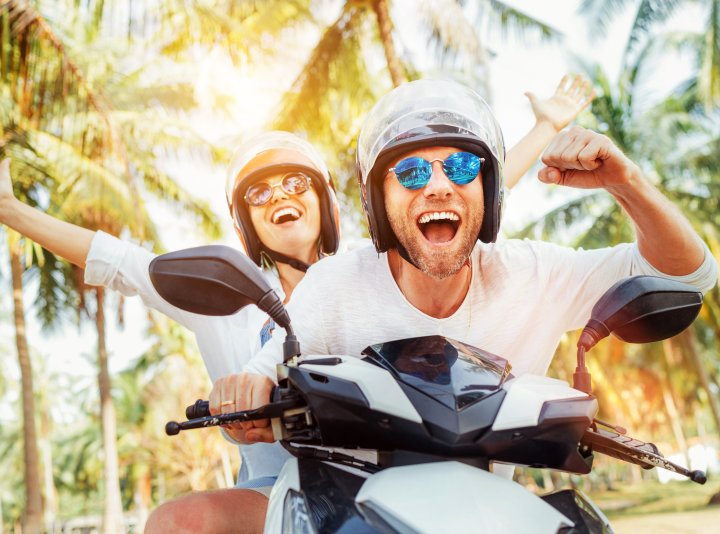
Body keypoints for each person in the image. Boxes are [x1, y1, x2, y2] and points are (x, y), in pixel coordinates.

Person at [0, 76, 595, 533]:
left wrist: (544, 128)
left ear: (331, 204)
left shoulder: (374, 276)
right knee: (177, 522)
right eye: (259, 193)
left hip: (399, 480)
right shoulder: (221, 297)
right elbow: (117, 262)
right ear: (245, 224)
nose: (281, 197)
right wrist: (9, 211)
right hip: (282, 497)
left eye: (297, 183)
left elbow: (464, 192)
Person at [207, 78, 717, 491]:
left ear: (487, 190)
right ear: (377, 205)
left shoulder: (531, 275)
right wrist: (244, 391)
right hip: (346, 512)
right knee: (181, 521)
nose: (436, 185)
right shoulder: (332, 285)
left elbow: (689, 275)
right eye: (408, 172)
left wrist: (626, 182)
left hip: (484, 511)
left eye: (462, 165)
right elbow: (265, 369)